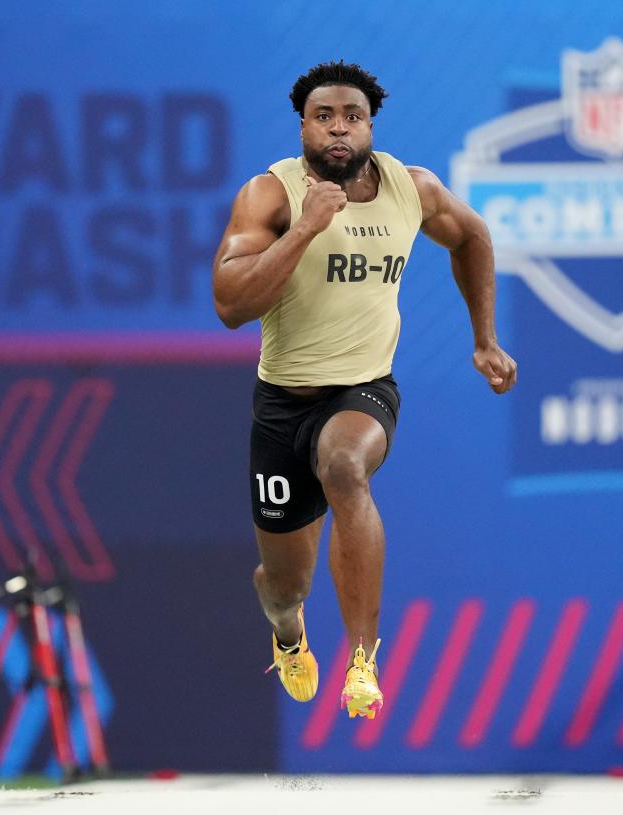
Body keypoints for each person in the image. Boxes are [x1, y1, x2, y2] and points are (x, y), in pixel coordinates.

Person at [211, 61, 517, 719]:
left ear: (370, 126)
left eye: (352, 116)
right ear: (304, 127)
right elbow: (231, 305)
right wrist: (304, 229)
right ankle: (290, 634)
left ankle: (362, 659)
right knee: (285, 583)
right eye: (325, 117)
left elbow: (472, 236)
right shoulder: (271, 195)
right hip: (282, 403)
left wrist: (485, 338)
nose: (339, 128)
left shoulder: (412, 188)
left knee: (345, 467)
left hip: (364, 390)